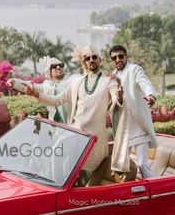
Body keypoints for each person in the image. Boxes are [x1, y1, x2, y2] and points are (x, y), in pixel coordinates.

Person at [25, 46, 123, 175]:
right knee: (58, 156)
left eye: (94, 57)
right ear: (84, 62)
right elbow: (57, 100)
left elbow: (116, 97)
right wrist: (37, 95)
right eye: (88, 58)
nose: (91, 60)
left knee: (91, 173)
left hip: (95, 137)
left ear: (100, 60)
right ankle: (59, 191)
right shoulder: (76, 82)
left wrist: (119, 96)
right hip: (75, 133)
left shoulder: (108, 81)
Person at [109, 45, 158, 179]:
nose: (118, 59)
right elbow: (114, 99)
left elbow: (144, 82)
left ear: (126, 57)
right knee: (120, 166)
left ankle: (156, 189)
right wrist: (118, 97)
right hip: (123, 126)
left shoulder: (135, 69)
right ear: (112, 60)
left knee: (142, 164)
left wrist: (151, 95)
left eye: (120, 56)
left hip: (138, 125)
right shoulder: (113, 76)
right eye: (114, 58)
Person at [32, 57, 76, 123]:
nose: (58, 67)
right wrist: (14, 82)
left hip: (72, 125)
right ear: (49, 71)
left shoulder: (71, 81)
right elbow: (32, 86)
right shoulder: (46, 85)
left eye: (61, 65)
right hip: (54, 127)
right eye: (54, 66)